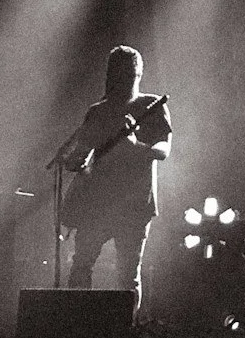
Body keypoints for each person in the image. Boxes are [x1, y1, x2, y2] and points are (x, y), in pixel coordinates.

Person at [54, 46, 171, 309]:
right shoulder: (98, 111)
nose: (126, 78)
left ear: (139, 73)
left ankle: (127, 329)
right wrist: (75, 162)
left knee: (128, 275)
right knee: (81, 265)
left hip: (134, 206)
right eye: (120, 73)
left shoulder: (151, 106)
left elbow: (163, 151)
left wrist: (134, 146)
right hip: (97, 204)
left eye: (130, 72)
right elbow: (82, 153)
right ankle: (79, 321)